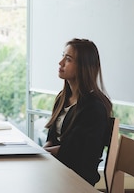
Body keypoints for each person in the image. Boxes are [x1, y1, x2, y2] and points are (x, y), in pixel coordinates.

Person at [43, 38, 113, 186]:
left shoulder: (94, 107)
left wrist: (42, 154)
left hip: (76, 179)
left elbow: (75, 152)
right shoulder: (62, 98)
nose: (60, 63)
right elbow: (52, 138)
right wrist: (41, 151)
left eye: (68, 59)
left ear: (83, 67)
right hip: (58, 171)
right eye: (63, 56)